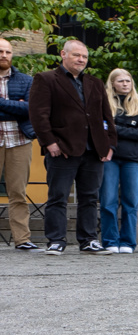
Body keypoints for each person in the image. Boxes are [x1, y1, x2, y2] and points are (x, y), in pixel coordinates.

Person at [27, 39, 114, 255]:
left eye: (84, 56)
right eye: (77, 55)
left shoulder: (95, 83)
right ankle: (56, 240)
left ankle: (89, 240)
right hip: (62, 149)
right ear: (63, 54)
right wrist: (49, 142)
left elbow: (106, 116)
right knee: (58, 197)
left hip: (93, 150)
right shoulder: (46, 79)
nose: (81, 60)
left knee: (90, 197)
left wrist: (110, 144)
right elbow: (38, 115)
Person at [98, 68, 138, 253]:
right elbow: (100, 129)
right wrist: (129, 129)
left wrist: (116, 129)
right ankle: (110, 241)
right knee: (108, 201)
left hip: (133, 160)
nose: (125, 84)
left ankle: (128, 242)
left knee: (131, 202)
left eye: (128, 81)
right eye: (120, 81)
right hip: (109, 158)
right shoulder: (103, 103)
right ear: (112, 83)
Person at [0, 38, 39, 250]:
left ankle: (22, 239)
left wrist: (3, 104)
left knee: (18, 193)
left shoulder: (26, 80)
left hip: (19, 140)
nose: (4, 55)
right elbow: (20, 108)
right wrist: (16, 106)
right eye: (0, 51)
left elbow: (29, 109)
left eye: (8, 52)